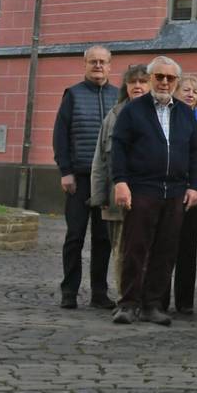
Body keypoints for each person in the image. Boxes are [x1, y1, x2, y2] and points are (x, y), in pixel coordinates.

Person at [110, 56, 197, 326]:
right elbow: (119, 147)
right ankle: (128, 303)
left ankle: (152, 304)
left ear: (176, 81)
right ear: (151, 79)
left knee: (166, 250)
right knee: (135, 248)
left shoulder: (185, 113)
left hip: (175, 191)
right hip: (142, 188)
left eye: (170, 78)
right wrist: (120, 182)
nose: (164, 82)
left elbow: (195, 152)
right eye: (159, 77)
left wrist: (194, 185)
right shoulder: (133, 110)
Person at [53, 45, 118, 310]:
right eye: (93, 61)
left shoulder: (118, 96)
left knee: (103, 239)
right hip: (78, 178)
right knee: (75, 237)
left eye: (102, 61)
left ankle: (99, 293)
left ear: (110, 66)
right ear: (85, 65)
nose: (98, 66)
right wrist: (65, 171)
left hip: (107, 180)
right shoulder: (73, 95)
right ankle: (69, 291)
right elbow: (60, 136)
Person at [89, 64, 150, 299]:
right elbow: (100, 159)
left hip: (150, 195)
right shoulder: (114, 115)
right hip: (118, 197)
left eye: (143, 81)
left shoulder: (161, 113)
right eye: (133, 82)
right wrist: (99, 196)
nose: (137, 86)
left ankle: (147, 298)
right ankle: (125, 298)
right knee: (121, 251)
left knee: (148, 250)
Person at [164, 73, 197, 315]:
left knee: (188, 247)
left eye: (195, 91)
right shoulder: (166, 116)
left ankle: (185, 301)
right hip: (169, 187)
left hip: (194, 188)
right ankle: (159, 298)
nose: (191, 94)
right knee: (165, 244)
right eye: (186, 90)